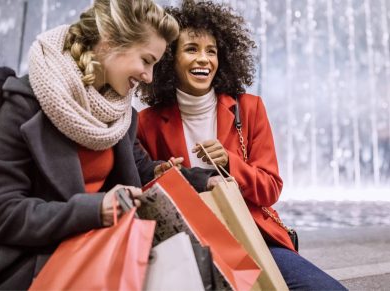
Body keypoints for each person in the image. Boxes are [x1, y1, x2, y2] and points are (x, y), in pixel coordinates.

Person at [0, 0, 181, 289]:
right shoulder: (23, 105)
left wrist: (201, 177)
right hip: (23, 266)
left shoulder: (119, 115)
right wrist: (93, 210)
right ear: (109, 44)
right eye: (146, 60)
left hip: (92, 255)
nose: (149, 77)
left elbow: (140, 171)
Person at [137, 1, 347, 290]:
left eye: (212, 51)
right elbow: (145, 189)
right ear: (170, 57)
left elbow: (271, 187)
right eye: (191, 49)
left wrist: (229, 163)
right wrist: (164, 174)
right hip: (189, 246)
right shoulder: (146, 122)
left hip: (252, 235)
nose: (204, 59)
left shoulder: (249, 108)